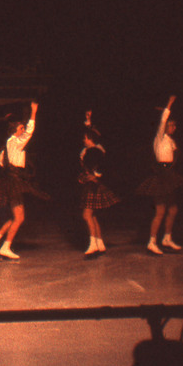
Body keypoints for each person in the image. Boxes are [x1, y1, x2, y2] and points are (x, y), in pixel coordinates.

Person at [0, 101, 49, 260]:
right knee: (20, 217)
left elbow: (0, 161)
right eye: (21, 128)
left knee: (16, 216)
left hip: (11, 180)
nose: (23, 130)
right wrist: (33, 112)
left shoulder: (9, 143)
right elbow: (30, 132)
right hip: (14, 181)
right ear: (15, 130)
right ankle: (5, 246)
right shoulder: (16, 142)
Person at [135, 95, 183, 255]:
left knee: (173, 209)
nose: (174, 127)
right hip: (160, 176)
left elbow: (176, 157)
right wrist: (169, 104)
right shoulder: (160, 138)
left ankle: (167, 238)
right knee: (161, 211)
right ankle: (152, 242)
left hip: (170, 175)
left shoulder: (171, 141)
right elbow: (163, 120)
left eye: (175, 125)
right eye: (171, 125)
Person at [78, 111, 120, 258]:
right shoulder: (90, 149)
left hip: (93, 185)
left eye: (84, 138)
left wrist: (94, 176)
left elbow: (101, 166)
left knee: (86, 214)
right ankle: (99, 243)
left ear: (89, 139)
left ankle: (93, 245)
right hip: (91, 184)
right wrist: (88, 120)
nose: (83, 140)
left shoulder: (95, 150)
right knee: (93, 215)